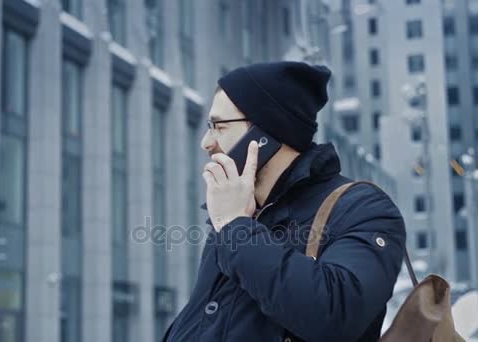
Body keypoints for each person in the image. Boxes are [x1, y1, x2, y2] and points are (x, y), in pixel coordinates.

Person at [163, 61, 406, 341]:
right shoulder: (241, 213)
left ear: (265, 133)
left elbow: (336, 314)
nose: (206, 141)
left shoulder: (363, 208)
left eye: (219, 126)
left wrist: (236, 228)